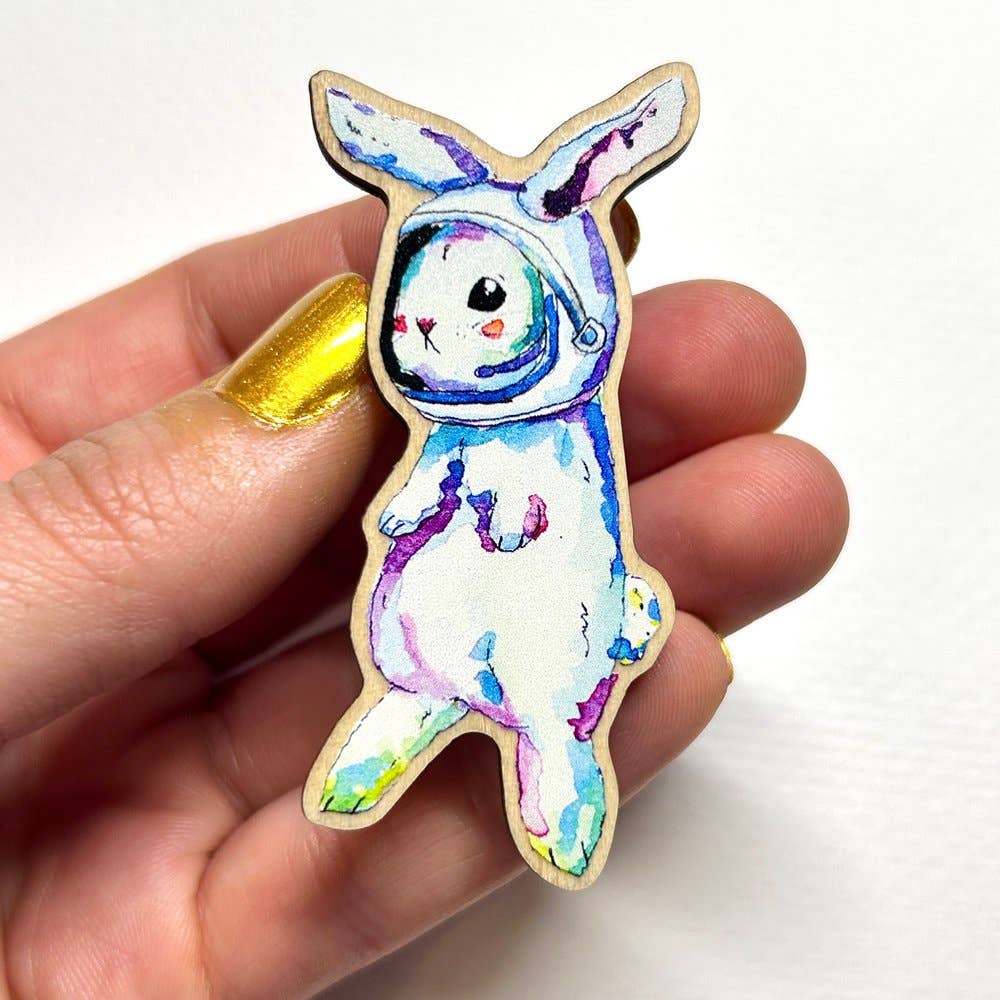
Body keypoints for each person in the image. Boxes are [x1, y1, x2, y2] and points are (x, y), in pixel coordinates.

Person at [0, 196, 848, 998]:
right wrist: (423, 496)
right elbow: (422, 488)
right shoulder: (446, 432)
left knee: (549, 690)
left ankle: (555, 762)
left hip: (543, 619)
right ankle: (406, 716)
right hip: (439, 616)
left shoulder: (568, 434)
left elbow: (566, 500)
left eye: (483, 298)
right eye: (419, 306)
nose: (432, 328)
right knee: (416, 661)